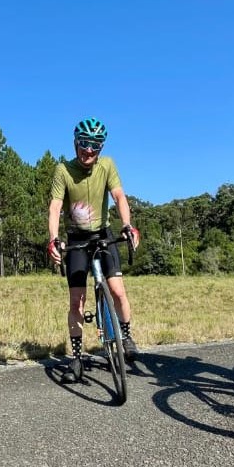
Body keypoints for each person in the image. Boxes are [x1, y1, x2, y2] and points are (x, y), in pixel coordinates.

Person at [47, 117, 141, 383]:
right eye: (84, 144)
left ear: (102, 148)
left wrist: (127, 225)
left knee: (118, 291)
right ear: (75, 143)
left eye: (96, 145)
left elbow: (119, 196)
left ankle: (125, 336)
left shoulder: (107, 165)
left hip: (102, 234)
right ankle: (76, 358)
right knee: (76, 300)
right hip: (76, 238)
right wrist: (53, 238)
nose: (89, 150)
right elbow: (55, 206)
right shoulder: (63, 170)